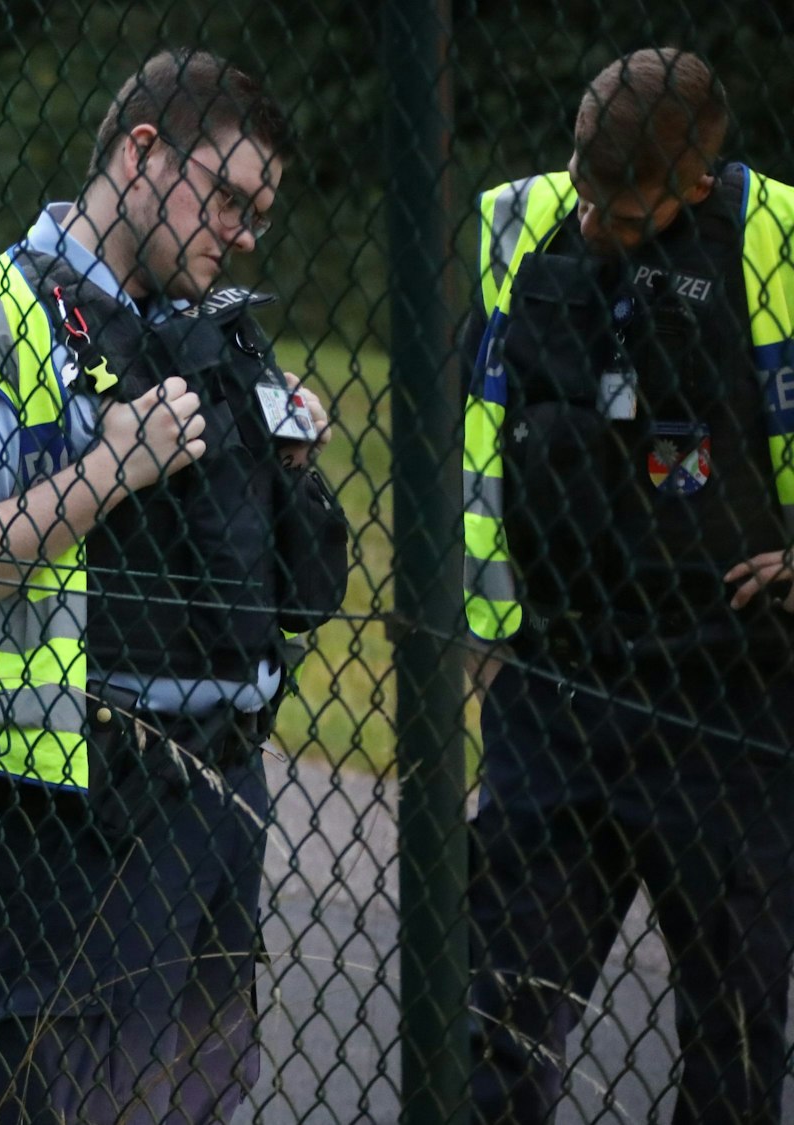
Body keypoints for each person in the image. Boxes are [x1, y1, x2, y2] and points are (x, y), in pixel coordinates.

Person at [0, 48, 349, 1123]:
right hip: (63, 797)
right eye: (225, 195)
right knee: (80, 1097)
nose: (240, 232)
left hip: (221, 781)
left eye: (258, 213)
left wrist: (286, 473)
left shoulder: (216, 330)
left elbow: (292, 590)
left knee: (194, 1097)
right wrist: (108, 473)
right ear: (140, 154)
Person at [461, 48, 794, 1124]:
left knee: (731, 1039)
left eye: (626, 210)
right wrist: (478, 624)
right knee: (498, 1028)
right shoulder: (516, 222)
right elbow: (470, 429)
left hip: (726, 694)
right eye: (585, 192)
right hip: (553, 684)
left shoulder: (774, 236)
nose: (595, 224)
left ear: (696, 182)